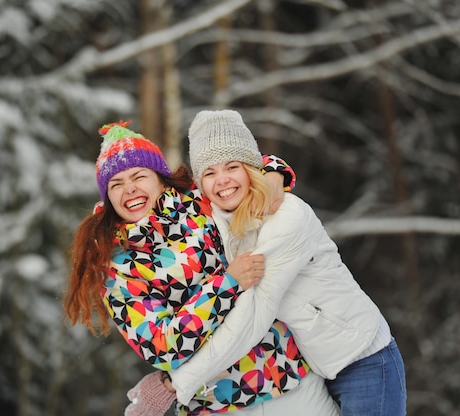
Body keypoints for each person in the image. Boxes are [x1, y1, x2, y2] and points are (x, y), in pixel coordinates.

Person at [62, 121, 339, 415]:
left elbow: (237, 169)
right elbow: (162, 346)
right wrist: (226, 285)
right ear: (107, 199)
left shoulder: (197, 202)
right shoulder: (118, 267)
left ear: (159, 177)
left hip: (290, 374)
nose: (129, 189)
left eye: (138, 176)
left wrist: (272, 174)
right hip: (218, 403)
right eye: (116, 184)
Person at [167, 109, 407, 415]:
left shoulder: (288, 217)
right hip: (317, 366)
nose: (222, 180)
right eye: (210, 172)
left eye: (232, 166)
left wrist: (178, 384)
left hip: (365, 361)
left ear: (251, 167)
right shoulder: (219, 221)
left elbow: (254, 313)